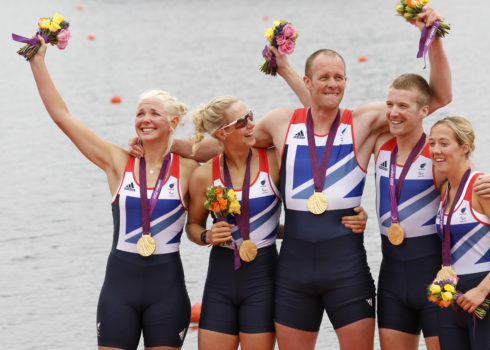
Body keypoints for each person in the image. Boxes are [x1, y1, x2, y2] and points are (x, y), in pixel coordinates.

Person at [251, 6, 453, 350]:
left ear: (347, 81)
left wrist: (431, 37)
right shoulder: (285, 123)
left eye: (339, 78)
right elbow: (233, 143)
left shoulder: (368, 121)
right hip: (294, 272)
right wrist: (175, 144)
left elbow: (438, 97)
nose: (332, 84)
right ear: (309, 82)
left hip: (348, 270)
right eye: (324, 78)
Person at [28, 36, 199, 349]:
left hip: (168, 293)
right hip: (119, 291)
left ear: (173, 121)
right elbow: (63, 117)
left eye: (154, 113)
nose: (145, 119)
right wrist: (37, 62)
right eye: (139, 113)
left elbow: (226, 150)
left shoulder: (189, 170)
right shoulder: (118, 162)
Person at [184, 96, 368, 350]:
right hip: (220, 280)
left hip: (264, 278)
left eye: (250, 115)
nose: (251, 124)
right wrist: (206, 236)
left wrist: (353, 214)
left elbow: (314, 193)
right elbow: (192, 226)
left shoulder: (273, 162)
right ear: (221, 133)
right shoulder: (204, 175)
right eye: (241, 122)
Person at [373, 74, 490, 350]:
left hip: (441, 280)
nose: (436, 150)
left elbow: (482, 200)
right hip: (393, 279)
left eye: (403, 105)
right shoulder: (379, 145)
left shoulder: (450, 173)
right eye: (390, 104)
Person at [429, 116, 490, 350]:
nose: (435, 150)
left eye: (444, 143)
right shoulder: (446, 188)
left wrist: (481, 291)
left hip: (484, 295)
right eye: (432, 143)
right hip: (449, 296)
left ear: (464, 147)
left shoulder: (482, 187)